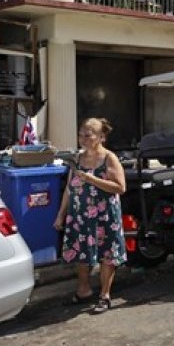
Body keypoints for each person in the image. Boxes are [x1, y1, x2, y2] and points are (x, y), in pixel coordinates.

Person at [54, 118, 127, 313]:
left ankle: (105, 296)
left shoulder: (109, 158)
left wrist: (91, 179)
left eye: (88, 135)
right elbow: (69, 189)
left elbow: (120, 187)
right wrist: (61, 215)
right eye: (80, 134)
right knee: (82, 252)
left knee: (107, 255)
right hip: (80, 216)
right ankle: (83, 290)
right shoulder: (77, 159)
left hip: (105, 216)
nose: (83, 139)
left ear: (101, 137)